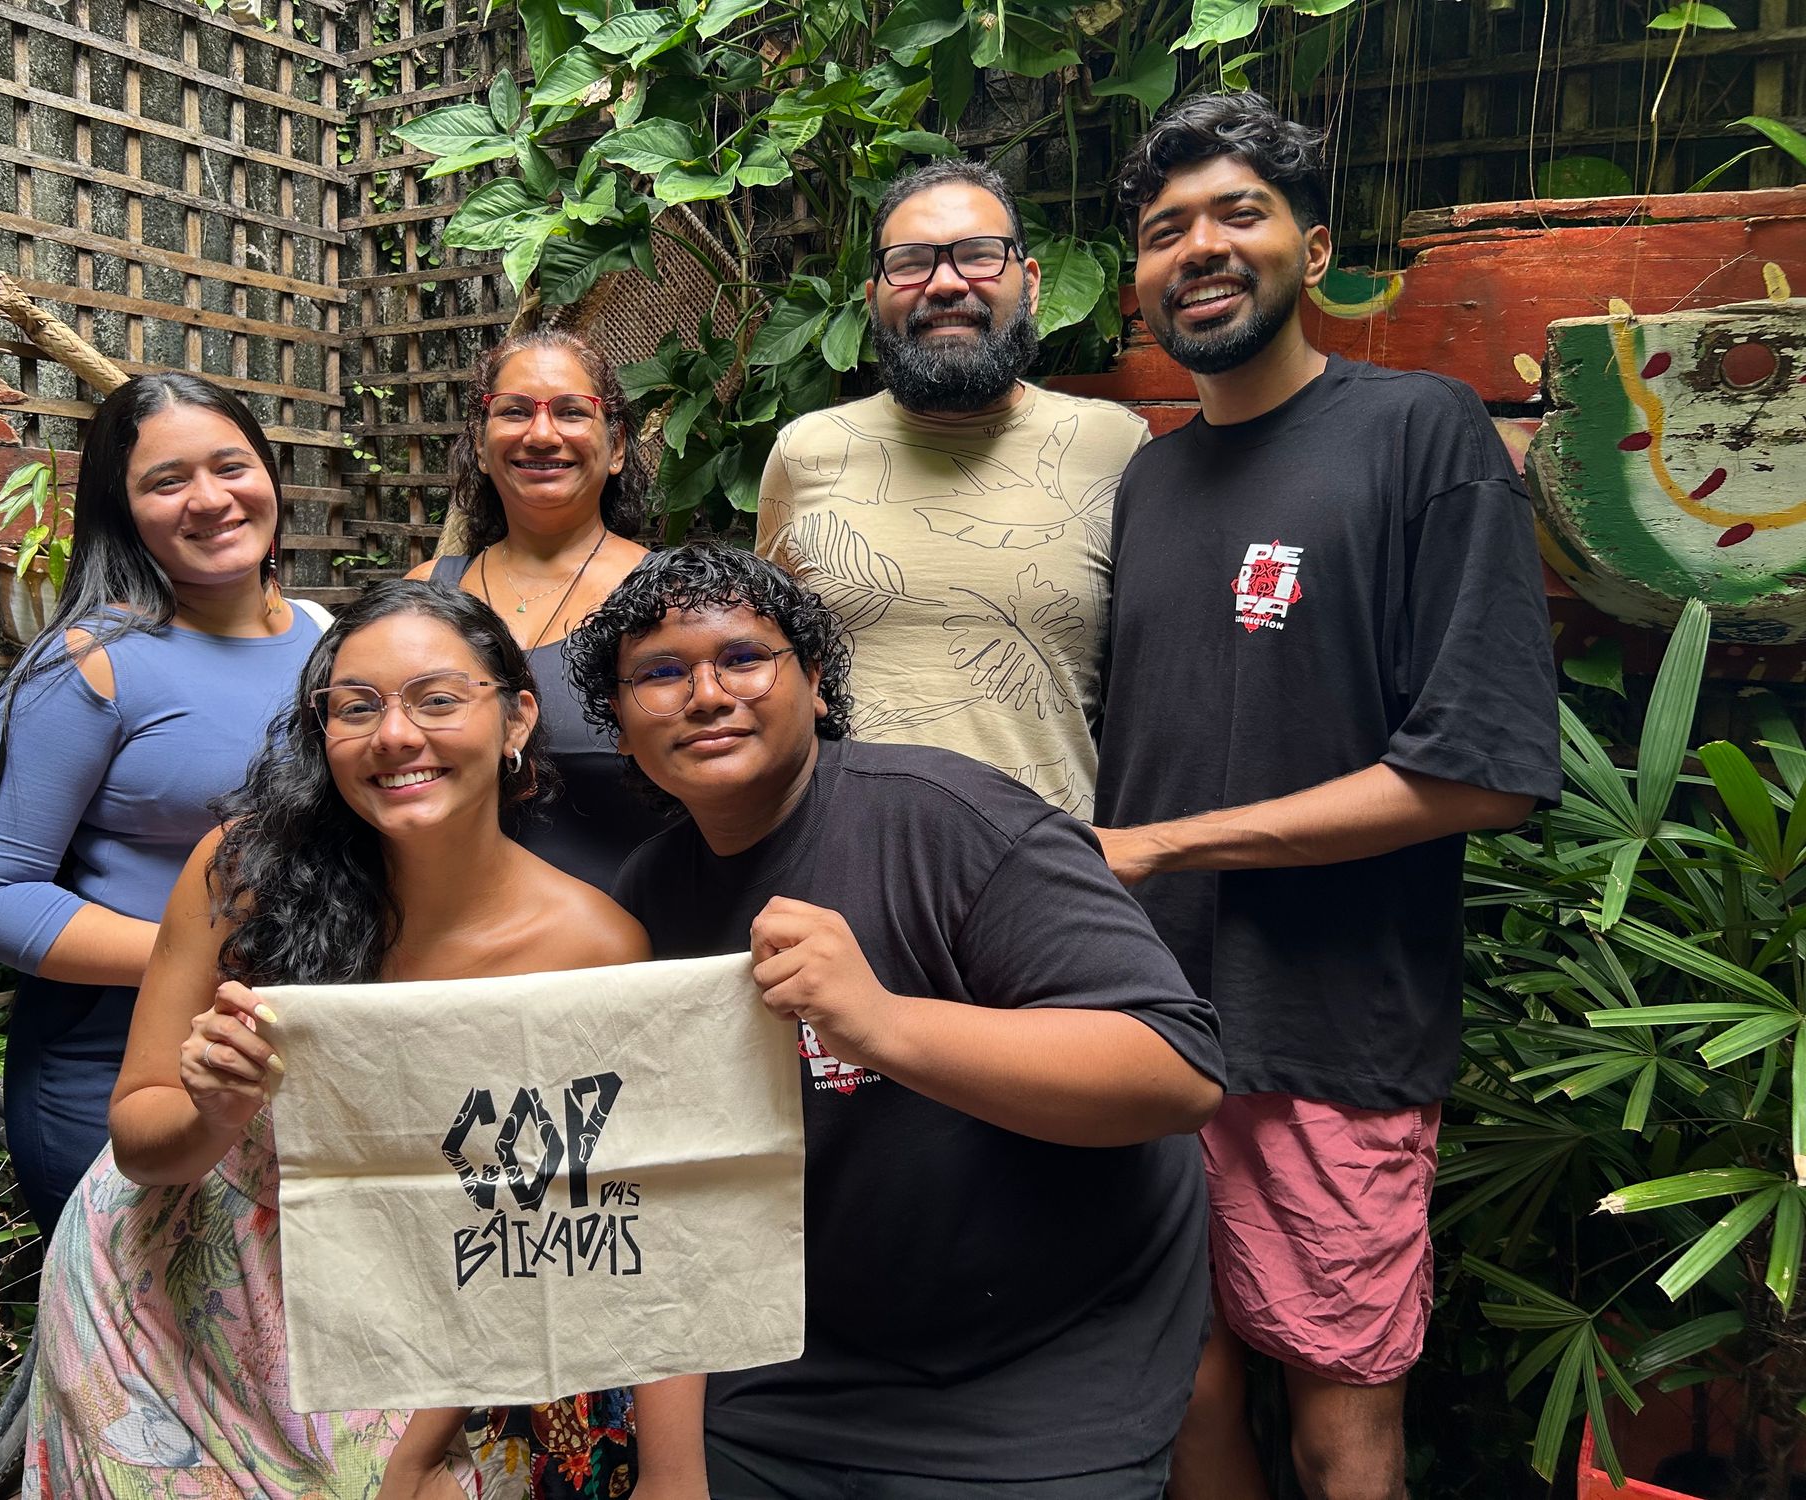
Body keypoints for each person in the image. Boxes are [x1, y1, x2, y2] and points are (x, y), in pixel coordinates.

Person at [1092, 94, 1561, 1500]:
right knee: (1186, 1409)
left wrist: (1156, 846)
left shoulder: (1421, 433)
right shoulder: (1150, 479)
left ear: (1314, 246)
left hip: (1331, 1028)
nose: (1199, 248)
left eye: (1237, 213)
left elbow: (1479, 769)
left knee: (1338, 1436)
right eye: (1164, 229)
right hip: (1144, 1024)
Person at [564, 544, 1227, 1498]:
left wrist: (882, 1024)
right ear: (622, 726)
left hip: (1039, 1379)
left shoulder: (948, 818)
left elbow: (1175, 1071)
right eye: (661, 674)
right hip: (788, 1380)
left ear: (816, 682)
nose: (707, 695)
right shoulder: (650, 895)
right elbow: (670, 1187)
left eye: (744, 658)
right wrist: (672, 1476)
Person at [25, 580, 659, 1499]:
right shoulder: (243, 870)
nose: (395, 735)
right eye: (356, 708)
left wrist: (425, 1445)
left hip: (421, 1333)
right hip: (161, 1302)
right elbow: (140, 1138)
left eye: (437, 699)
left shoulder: (593, 948)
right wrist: (213, 1114)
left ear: (516, 718)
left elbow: (548, 1236)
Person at [0, 373, 325, 1234]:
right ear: (122, 510)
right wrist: (196, 957)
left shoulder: (324, 639)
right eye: (167, 481)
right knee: (134, 1315)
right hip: (116, 1064)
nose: (210, 499)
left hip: (292, 1049)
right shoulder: (86, 662)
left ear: (270, 476)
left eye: (231, 466)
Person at [755, 160, 1150, 818]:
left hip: (1048, 860)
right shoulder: (804, 452)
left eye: (979, 255)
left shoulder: (1115, 448)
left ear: (1030, 285)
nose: (944, 283)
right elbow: (772, 668)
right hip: (843, 856)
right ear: (873, 296)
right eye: (910, 263)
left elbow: (1153, 695)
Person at [411, 327, 669, 892]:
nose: (543, 434)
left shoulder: (671, 600)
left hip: (642, 929)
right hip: (456, 927)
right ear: (481, 445)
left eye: (572, 411)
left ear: (617, 447)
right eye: (515, 411)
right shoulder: (426, 596)